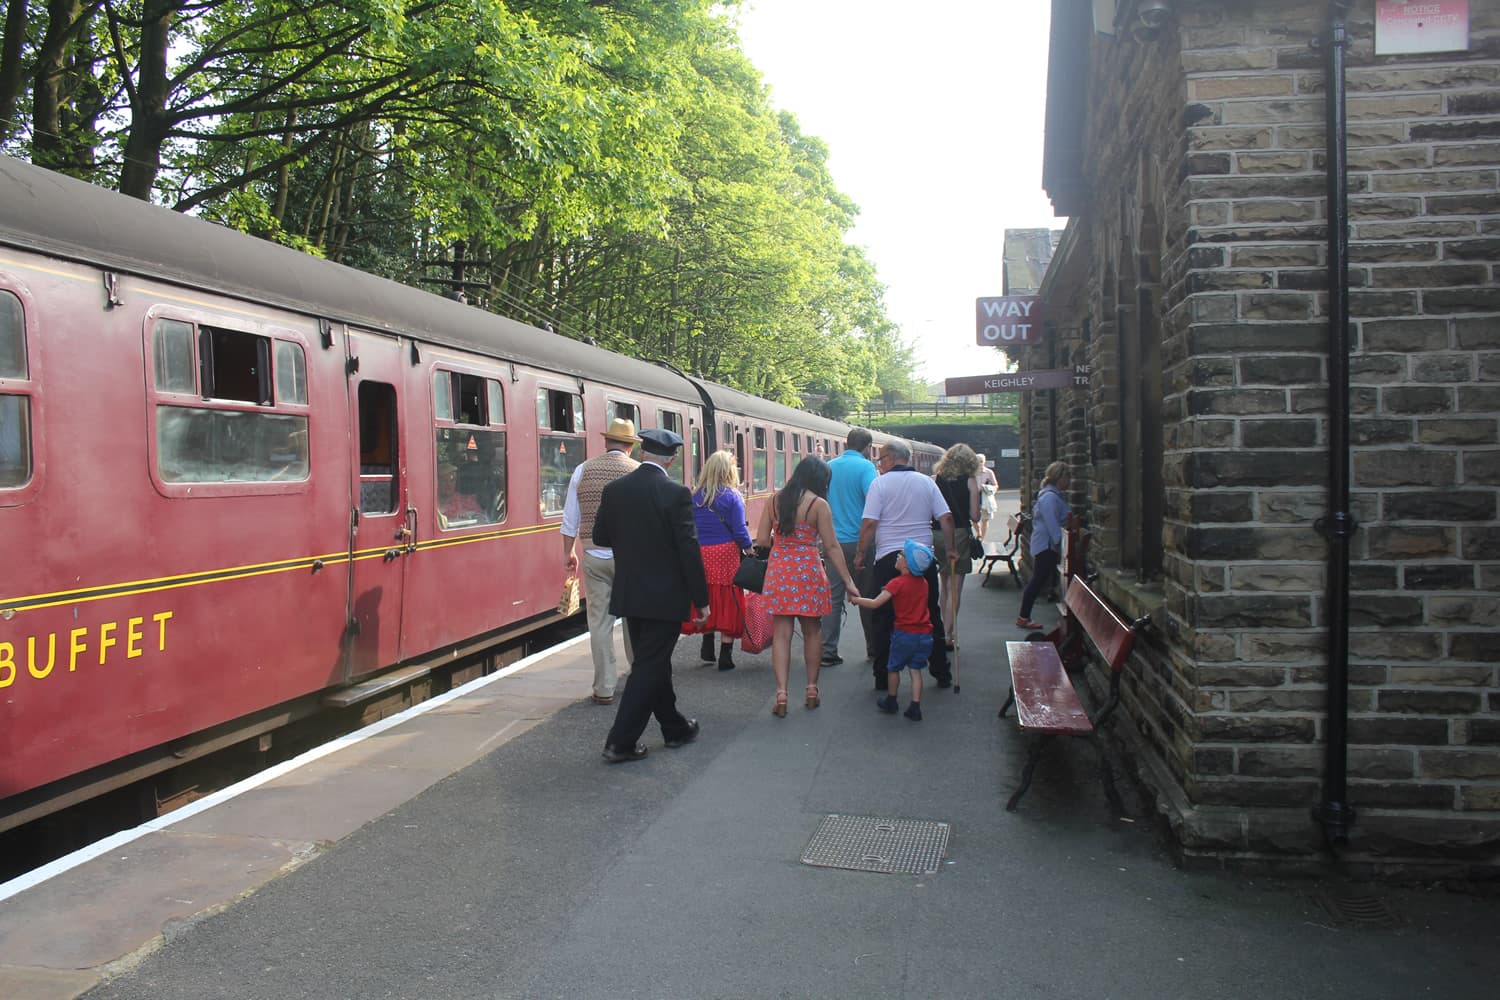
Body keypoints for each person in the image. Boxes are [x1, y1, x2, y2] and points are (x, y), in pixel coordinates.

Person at [593, 427, 709, 762]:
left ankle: (674, 727)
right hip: (665, 598)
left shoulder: (615, 490)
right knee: (648, 666)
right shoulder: (675, 493)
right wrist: (701, 600)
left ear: (642, 453)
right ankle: (620, 742)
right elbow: (688, 550)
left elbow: (601, 536)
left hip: (631, 593)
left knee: (652, 663)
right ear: (671, 460)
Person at [754, 455, 859, 717]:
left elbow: (763, 540)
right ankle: (811, 689)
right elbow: (832, 546)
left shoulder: (775, 501)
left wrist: (783, 542)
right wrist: (848, 581)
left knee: (781, 633)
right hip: (809, 571)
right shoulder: (818, 504)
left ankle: (781, 693)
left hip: (780, 571)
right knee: (812, 632)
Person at [855, 439, 954, 692]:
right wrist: (951, 549)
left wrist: (860, 553)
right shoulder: (926, 483)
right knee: (930, 613)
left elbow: (869, 523)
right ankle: (941, 671)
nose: (879, 465)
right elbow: (946, 517)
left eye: (880, 460)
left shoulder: (880, 484)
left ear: (890, 458)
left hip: (890, 558)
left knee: (884, 617)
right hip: (922, 559)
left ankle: (882, 677)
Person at [561, 418, 642, 704]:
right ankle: (638, 677)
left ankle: (605, 687)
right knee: (635, 618)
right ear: (631, 446)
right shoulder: (639, 472)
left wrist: (569, 552)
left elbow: (570, 518)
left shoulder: (584, 469)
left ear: (607, 442)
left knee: (600, 622)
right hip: (630, 558)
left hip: (594, 555)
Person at [683, 449, 753, 671]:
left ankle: (707, 645)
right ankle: (725, 655)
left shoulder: (695, 496)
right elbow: (740, 530)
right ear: (729, 471)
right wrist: (749, 550)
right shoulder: (733, 497)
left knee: (706, 594)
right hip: (725, 552)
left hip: (700, 552)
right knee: (727, 597)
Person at [850, 539, 933, 721]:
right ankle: (915, 705)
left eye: (902, 554)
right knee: (915, 670)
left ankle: (892, 699)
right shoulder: (923, 583)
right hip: (924, 634)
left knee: (893, 667)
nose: (898, 555)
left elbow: (875, 603)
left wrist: (857, 600)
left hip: (904, 634)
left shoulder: (897, 583)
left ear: (908, 564)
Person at [820, 428, 878, 668]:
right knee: (867, 596)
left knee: (833, 598)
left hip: (833, 542)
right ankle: (873, 649)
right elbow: (874, 499)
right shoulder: (866, 467)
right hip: (861, 541)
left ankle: (827, 651)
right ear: (866, 448)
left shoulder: (830, 466)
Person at [931, 443, 982, 650]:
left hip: (936, 534)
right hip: (958, 533)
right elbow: (975, 516)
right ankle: (947, 635)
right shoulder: (970, 481)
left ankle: (944, 630)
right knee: (956, 588)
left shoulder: (937, 480)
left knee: (944, 584)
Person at [1017, 460, 1072, 630]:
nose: (1069, 481)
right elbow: (1052, 523)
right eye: (1067, 477)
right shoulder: (1050, 498)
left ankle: (1024, 616)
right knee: (1037, 580)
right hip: (1046, 545)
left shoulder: (1050, 495)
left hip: (1045, 544)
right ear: (1059, 478)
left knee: (1039, 579)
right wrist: (1060, 544)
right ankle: (1024, 617)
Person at [436, 463, 486, 528]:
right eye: (444, 481)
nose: (448, 484)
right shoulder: (429, 505)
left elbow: (483, 522)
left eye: (452, 480)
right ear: (437, 482)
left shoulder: (466, 501)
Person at [975, 453, 999, 540]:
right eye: (977, 461)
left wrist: (988, 488)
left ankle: (982, 539)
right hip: (974, 498)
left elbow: (996, 485)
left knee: (985, 520)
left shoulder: (989, 472)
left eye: (981, 461)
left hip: (985, 498)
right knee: (974, 519)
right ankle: (979, 533)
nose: (979, 463)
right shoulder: (971, 473)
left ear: (984, 462)